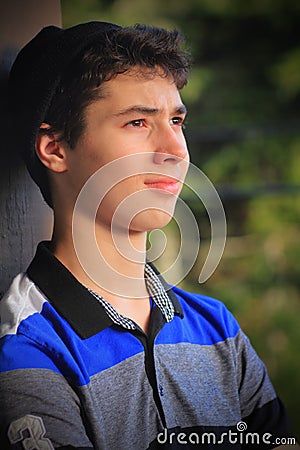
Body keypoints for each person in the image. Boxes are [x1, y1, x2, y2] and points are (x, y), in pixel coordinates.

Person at [0, 21, 296, 450]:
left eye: (177, 120)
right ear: (56, 149)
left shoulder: (217, 328)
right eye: (138, 122)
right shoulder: (26, 349)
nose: (177, 150)